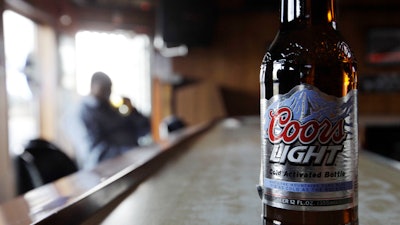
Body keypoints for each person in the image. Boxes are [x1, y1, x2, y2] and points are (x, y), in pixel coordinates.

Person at [66, 72, 149, 169]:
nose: (108, 92)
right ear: (93, 86)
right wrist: (129, 153)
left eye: (109, 88)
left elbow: (144, 129)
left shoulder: (110, 108)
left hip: (129, 163)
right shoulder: (81, 112)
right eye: (104, 88)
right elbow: (93, 152)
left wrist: (134, 111)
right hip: (103, 170)